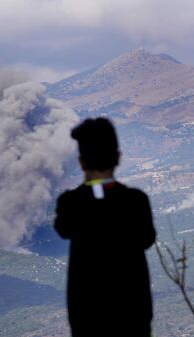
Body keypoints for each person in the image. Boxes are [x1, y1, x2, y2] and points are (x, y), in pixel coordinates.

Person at [54, 118, 156, 337]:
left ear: (81, 162)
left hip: (88, 317)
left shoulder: (70, 204)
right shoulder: (136, 201)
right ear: (118, 158)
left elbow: (63, 228)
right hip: (133, 315)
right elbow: (147, 239)